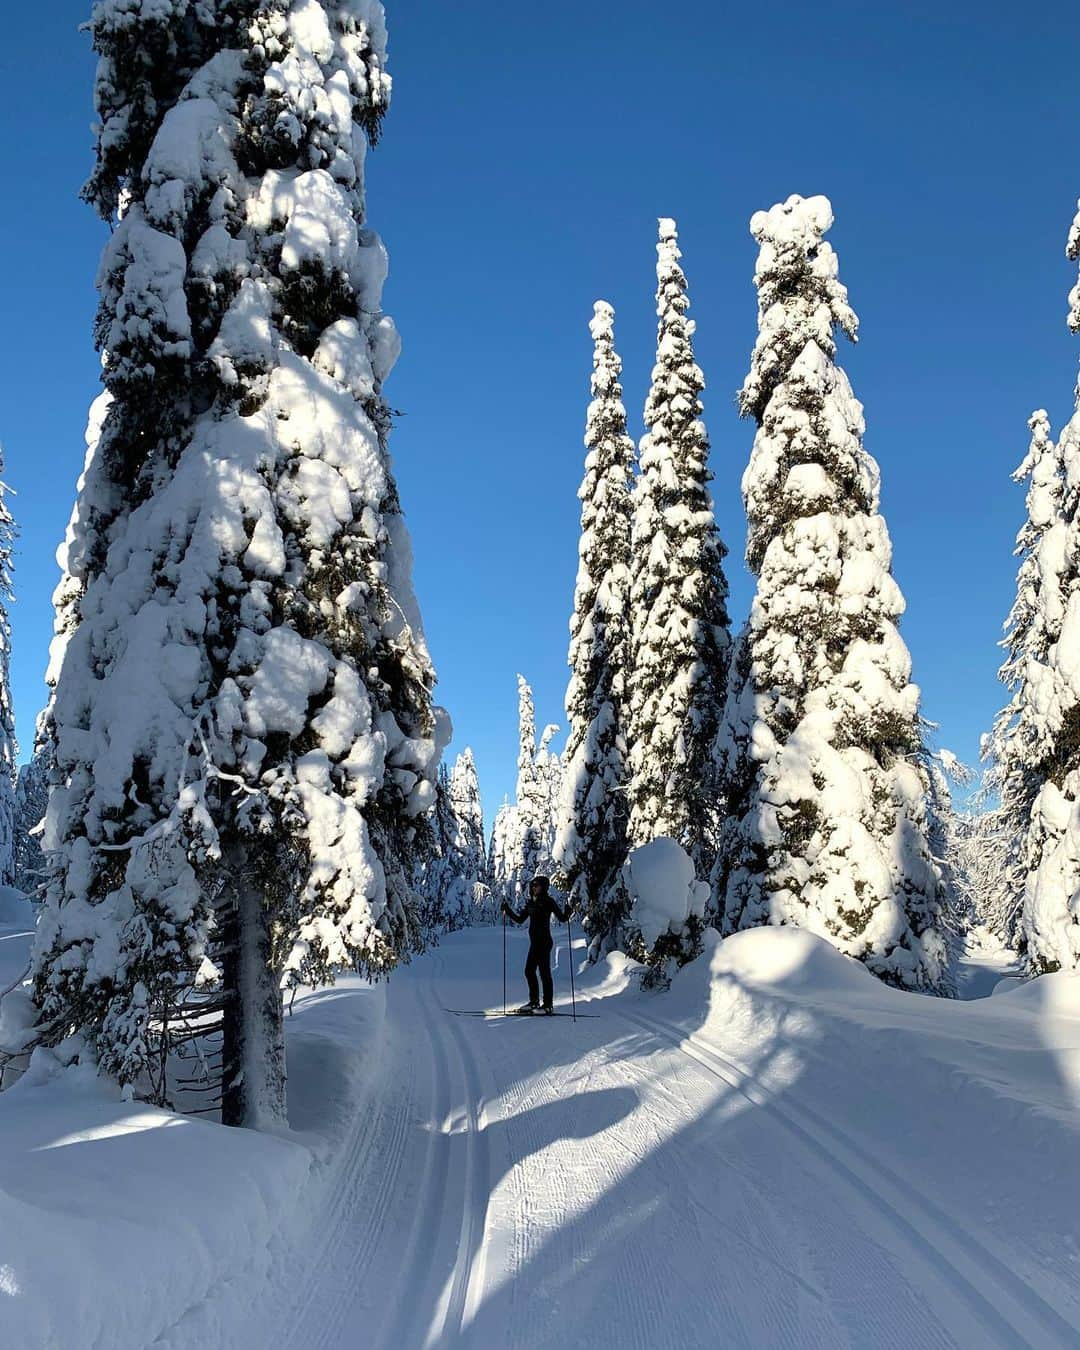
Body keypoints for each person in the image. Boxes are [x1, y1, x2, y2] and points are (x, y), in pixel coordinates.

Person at [501, 875, 572, 1015]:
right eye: (533, 885)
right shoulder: (531, 903)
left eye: (537, 885)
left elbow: (562, 919)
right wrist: (507, 910)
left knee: (544, 973)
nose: (534, 888)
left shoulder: (548, 901)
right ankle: (534, 1002)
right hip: (535, 943)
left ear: (544, 887)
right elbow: (520, 920)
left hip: (545, 942)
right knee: (529, 971)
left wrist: (568, 911)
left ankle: (547, 1005)